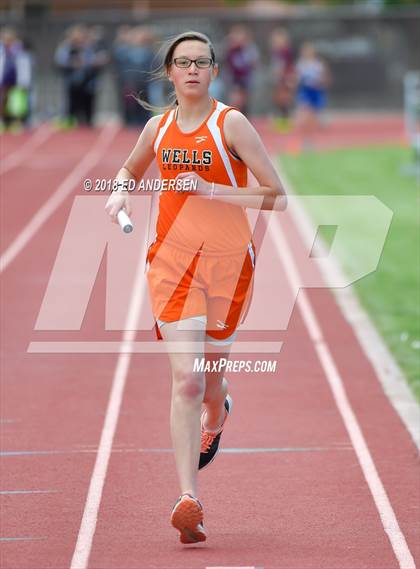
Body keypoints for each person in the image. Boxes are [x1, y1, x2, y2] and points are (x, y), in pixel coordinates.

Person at [105, 30, 287, 544]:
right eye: (182, 62)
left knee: (208, 382)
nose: (191, 70)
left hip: (228, 268)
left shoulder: (231, 124)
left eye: (201, 62)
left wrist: (211, 188)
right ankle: (190, 499)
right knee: (185, 379)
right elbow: (128, 169)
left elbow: (277, 197)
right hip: (172, 265)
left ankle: (219, 406)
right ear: (169, 72)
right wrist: (117, 195)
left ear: (213, 71)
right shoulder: (157, 128)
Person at [294, 42, 330, 148]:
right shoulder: (301, 64)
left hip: (316, 92)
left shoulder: (318, 65)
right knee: (304, 117)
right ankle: (305, 140)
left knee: (312, 119)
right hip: (305, 92)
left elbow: (324, 79)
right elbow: (297, 79)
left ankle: (310, 140)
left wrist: (320, 82)